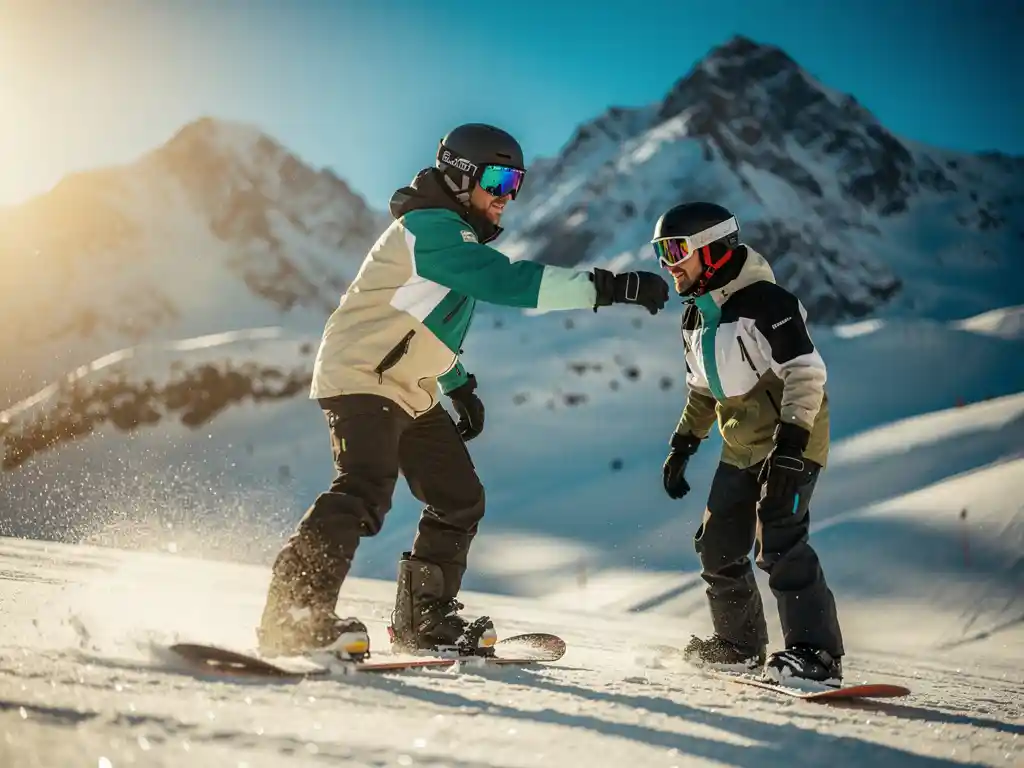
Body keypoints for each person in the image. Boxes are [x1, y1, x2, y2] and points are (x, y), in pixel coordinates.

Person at [256, 123, 670, 660]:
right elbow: (505, 281)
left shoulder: (454, 236)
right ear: (459, 176)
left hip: (409, 387)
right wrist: (610, 286)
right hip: (362, 376)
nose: (507, 196)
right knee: (364, 487)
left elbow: (426, 323)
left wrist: (457, 384)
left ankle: (423, 620)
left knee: (459, 498)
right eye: (497, 180)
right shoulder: (429, 227)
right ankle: (294, 614)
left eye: (516, 183)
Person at [654, 201, 844, 686]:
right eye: (661, 252)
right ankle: (738, 646)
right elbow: (703, 389)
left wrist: (791, 444)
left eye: (675, 250)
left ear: (712, 249)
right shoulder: (695, 316)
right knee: (717, 543)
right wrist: (683, 444)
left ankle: (817, 656)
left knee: (780, 539)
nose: (667, 263)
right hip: (740, 447)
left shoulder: (767, 303)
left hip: (792, 438)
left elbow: (806, 373)